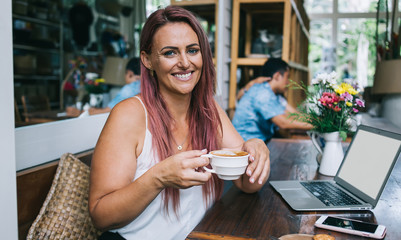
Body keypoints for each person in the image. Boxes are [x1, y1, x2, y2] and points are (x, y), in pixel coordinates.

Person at [89, 6, 270, 240]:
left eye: (192, 50)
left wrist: (256, 147)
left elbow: (247, 184)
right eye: (170, 53)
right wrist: (158, 177)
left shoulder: (210, 110)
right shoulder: (129, 114)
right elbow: (100, 215)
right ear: (148, 60)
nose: (185, 63)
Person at [232, 58, 312, 143]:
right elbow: (283, 123)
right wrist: (317, 125)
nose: (288, 82)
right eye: (287, 77)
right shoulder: (263, 93)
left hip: (258, 142)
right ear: (277, 76)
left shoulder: (272, 94)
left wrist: (316, 120)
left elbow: (290, 115)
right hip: (244, 145)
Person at [66, 57, 141, 116]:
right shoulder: (146, 87)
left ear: (130, 74)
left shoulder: (129, 89)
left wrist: (79, 112)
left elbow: (108, 112)